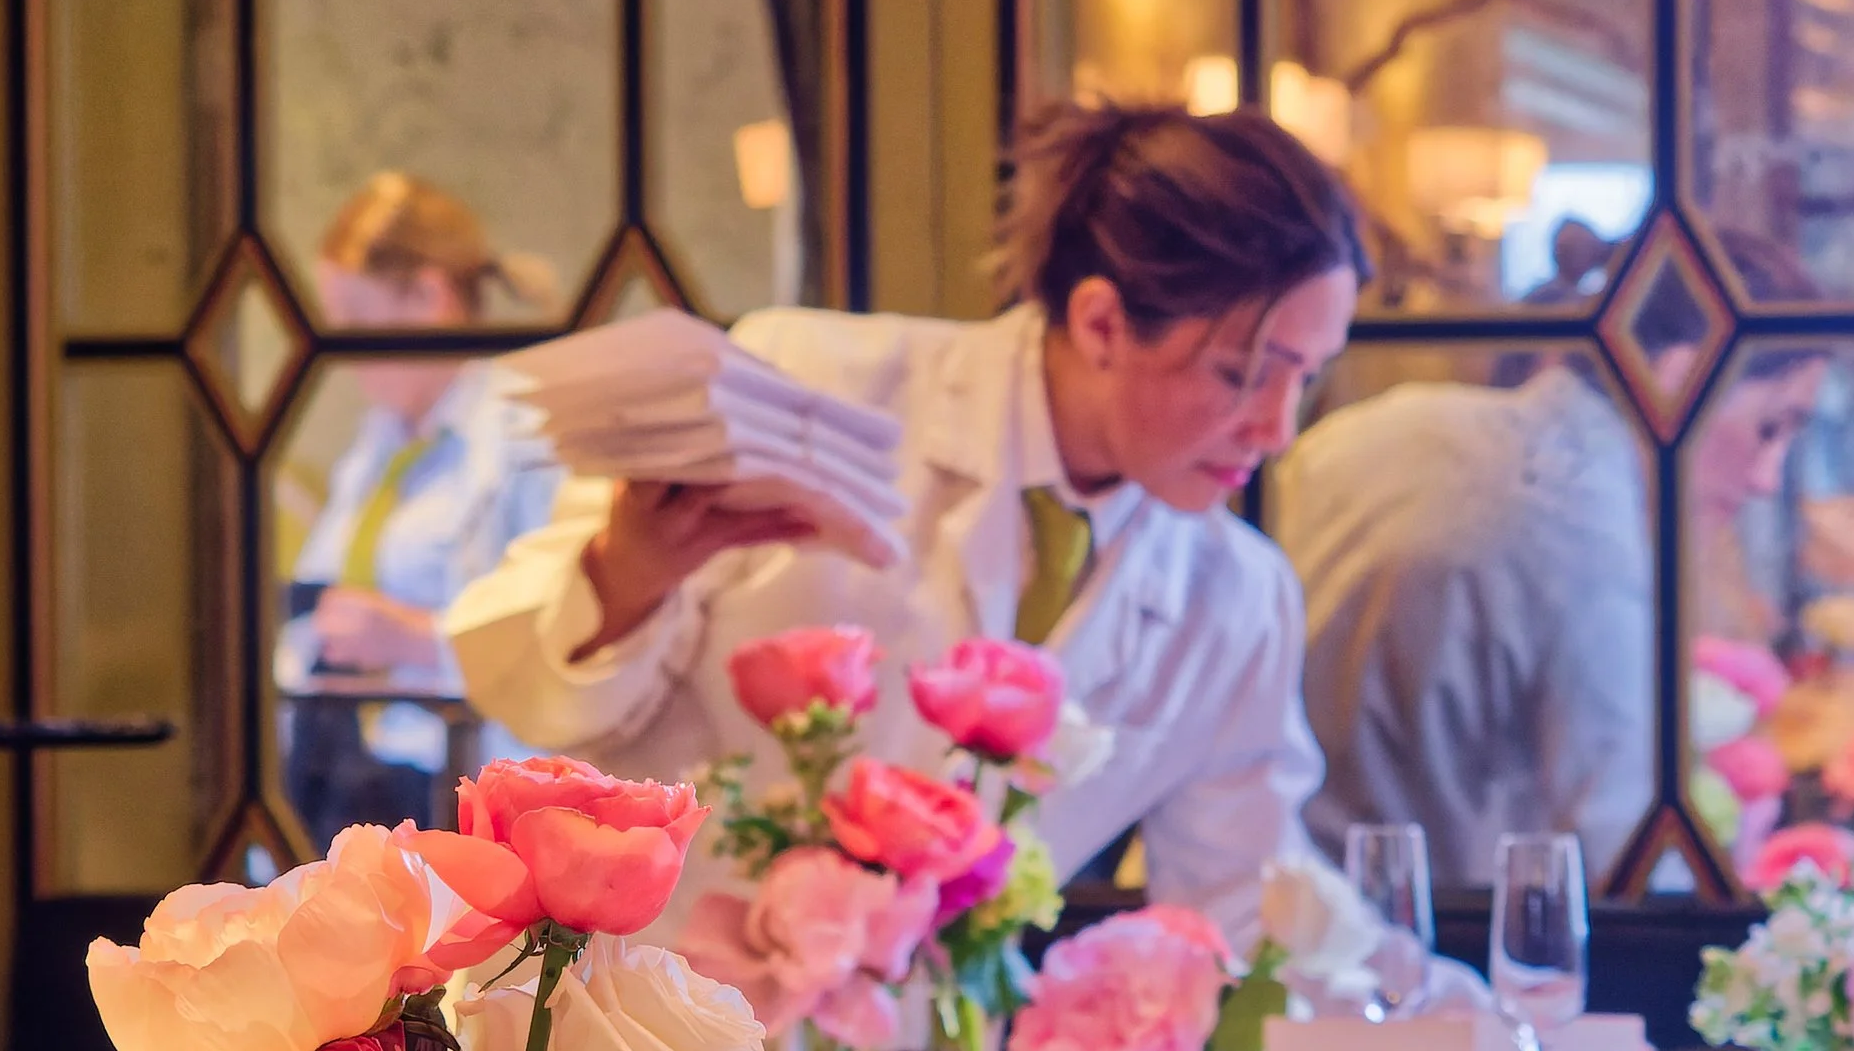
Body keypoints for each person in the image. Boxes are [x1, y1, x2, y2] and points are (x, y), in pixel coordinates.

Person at [447, 104, 1365, 943]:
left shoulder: (1240, 599)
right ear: (1100, 324)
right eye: (1246, 374)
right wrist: (627, 576)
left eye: (1309, 377)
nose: (1279, 429)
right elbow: (521, 697)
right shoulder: (797, 390)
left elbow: (1246, 904)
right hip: (652, 1044)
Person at [1271, 360, 1655, 887]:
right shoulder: (1593, 523)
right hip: (1419, 922)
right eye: (1770, 427)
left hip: (1222, 888)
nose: (1761, 478)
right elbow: (1620, 837)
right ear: (1681, 371)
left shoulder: (1377, 426)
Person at [279, 174, 563, 843]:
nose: (344, 356)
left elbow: (567, 638)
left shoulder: (529, 438)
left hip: (479, 811)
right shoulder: (379, 446)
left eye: (355, 324)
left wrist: (413, 639)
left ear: (430, 298)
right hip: (363, 798)